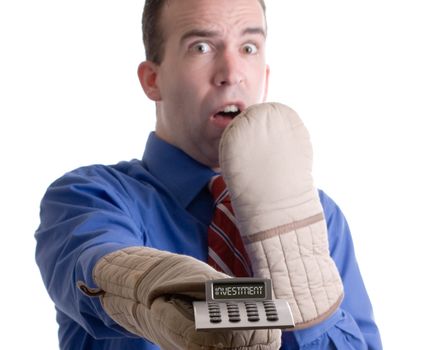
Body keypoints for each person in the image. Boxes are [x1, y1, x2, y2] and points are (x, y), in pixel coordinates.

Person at [35, 0, 382, 349]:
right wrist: (180, 293)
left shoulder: (316, 215)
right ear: (152, 80)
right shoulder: (89, 196)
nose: (231, 72)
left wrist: (303, 282)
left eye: (249, 47)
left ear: (265, 75)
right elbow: (99, 267)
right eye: (201, 47)